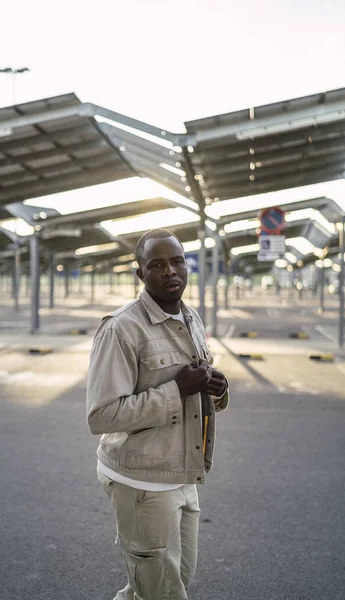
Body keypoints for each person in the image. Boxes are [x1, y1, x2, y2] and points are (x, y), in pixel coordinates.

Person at [86, 229, 229, 600]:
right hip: (142, 482)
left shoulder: (190, 317)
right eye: (157, 264)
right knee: (164, 591)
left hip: (183, 474)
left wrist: (218, 389)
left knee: (166, 582)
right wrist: (176, 389)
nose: (170, 271)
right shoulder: (122, 329)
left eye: (177, 260)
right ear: (141, 273)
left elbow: (197, 388)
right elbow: (101, 415)